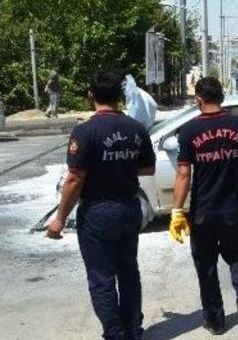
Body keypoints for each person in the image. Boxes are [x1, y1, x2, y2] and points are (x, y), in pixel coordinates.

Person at [46, 71, 156, 340]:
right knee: (129, 272)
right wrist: (121, 165)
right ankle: (134, 330)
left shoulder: (85, 131)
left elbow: (74, 179)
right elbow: (148, 167)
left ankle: (116, 335)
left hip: (98, 212)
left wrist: (60, 218)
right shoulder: (136, 128)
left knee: (102, 278)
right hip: (129, 209)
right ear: (119, 97)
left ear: (90, 96)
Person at [170, 77, 238, 337]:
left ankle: (215, 320)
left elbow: (183, 174)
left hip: (203, 212)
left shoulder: (189, 131)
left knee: (206, 266)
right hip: (233, 209)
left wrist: (177, 210)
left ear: (198, 99)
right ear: (221, 97)